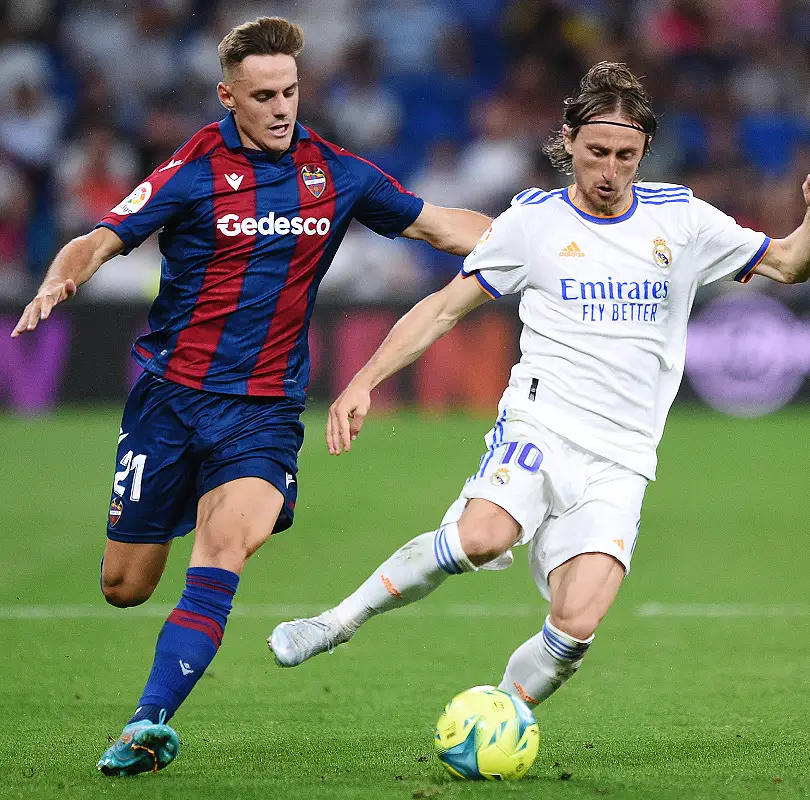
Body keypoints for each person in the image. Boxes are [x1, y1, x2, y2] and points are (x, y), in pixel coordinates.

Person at [268, 63, 810, 715]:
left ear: (644, 152)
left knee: (576, 625)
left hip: (623, 457)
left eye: (626, 156)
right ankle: (338, 621)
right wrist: (364, 381)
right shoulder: (534, 223)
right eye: (598, 152)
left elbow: (790, 263)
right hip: (540, 426)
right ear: (570, 141)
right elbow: (442, 308)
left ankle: (500, 717)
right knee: (480, 537)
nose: (610, 170)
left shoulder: (682, 220)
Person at [9, 17, 490, 775]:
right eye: (263, 95)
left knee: (225, 548)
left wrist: (545, 237)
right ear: (228, 96)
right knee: (124, 587)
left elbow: (442, 228)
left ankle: (146, 724)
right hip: (170, 402)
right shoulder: (192, 169)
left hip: (262, 413)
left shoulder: (335, 174)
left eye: (290, 91)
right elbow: (99, 239)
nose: (281, 108)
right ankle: (163, 551)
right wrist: (59, 278)